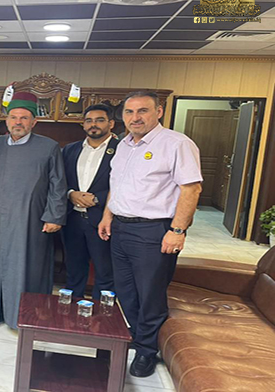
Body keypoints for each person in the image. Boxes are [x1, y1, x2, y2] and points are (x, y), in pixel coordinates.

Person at [98, 91, 202, 377]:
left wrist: (177, 230)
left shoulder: (176, 144)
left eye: (142, 111)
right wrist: (107, 216)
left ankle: (146, 351)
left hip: (153, 230)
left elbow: (191, 189)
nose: (135, 118)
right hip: (121, 228)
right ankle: (137, 335)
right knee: (125, 291)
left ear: (159, 111)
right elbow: (116, 185)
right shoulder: (123, 145)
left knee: (150, 294)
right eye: (129, 112)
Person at [0, 92, 67, 329]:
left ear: (34, 122)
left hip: (31, 220)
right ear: (6, 120)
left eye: (24, 118)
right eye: (14, 117)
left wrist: (54, 216)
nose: (18, 122)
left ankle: (26, 314)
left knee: (28, 265)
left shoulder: (49, 147)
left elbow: (58, 185)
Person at [61, 104, 118, 300]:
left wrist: (97, 198)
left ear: (111, 123)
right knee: (73, 269)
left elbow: (127, 183)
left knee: (105, 271)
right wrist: (70, 194)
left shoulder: (122, 150)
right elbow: (60, 180)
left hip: (103, 220)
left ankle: (101, 313)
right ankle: (70, 310)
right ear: (83, 124)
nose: (94, 125)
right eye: (89, 121)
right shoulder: (70, 149)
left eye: (100, 120)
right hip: (73, 220)